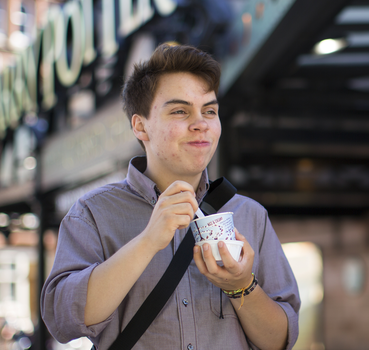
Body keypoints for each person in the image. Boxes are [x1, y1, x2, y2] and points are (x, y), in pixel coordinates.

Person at [41, 44, 300, 349]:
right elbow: (63, 322)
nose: (201, 123)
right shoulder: (93, 213)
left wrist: (242, 286)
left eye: (210, 111)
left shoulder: (249, 214)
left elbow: (281, 340)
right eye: (180, 111)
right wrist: (148, 241)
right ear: (141, 126)